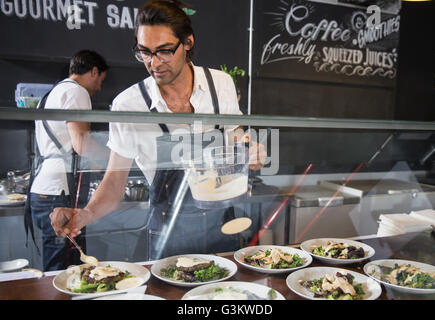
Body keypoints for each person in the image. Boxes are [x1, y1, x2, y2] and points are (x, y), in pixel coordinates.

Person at [49, 0, 266, 260]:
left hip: (223, 226)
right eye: (145, 52)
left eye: (164, 51)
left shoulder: (220, 85)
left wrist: (250, 150)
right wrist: (84, 214)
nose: (154, 63)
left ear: (187, 42)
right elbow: (114, 184)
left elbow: (236, 137)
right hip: (169, 234)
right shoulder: (128, 105)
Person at [27, 50, 110, 271]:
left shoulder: (51, 94)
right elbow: (82, 144)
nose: (99, 88)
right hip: (59, 194)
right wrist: (113, 161)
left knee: (64, 267)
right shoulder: (76, 92)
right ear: (93, 71)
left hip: (44, 189)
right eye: (101, 80)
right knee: (65, 270)